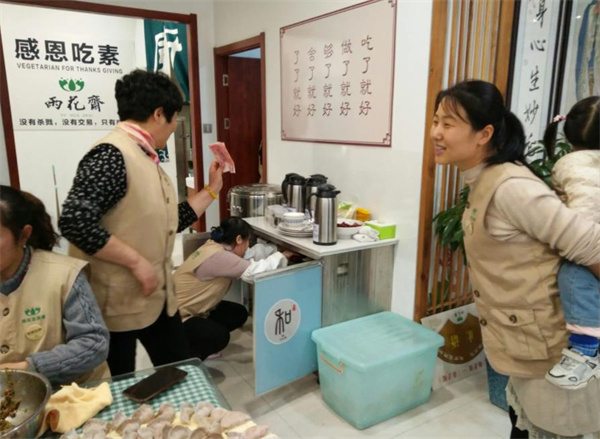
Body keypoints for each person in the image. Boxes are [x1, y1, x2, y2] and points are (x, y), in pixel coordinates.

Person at [431, 80, 600, 438]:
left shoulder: (512, 187)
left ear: (484, 133)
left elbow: (591, 245)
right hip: (524, 345)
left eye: (448, 124)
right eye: (435, 122)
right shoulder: (484, 179)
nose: (436, 133)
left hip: (550, 350)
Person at [59, 69, 223, 376]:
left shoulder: (144, 156)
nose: (175, 128)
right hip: (116, 305)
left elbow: (173, 219)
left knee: (177, 370)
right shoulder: (111, 154)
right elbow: (74, 221)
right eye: (175, 119)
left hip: (158, 299)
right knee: (118, 384)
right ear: (159, 114)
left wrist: (213, 189)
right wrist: (136, 262)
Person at [0, 186, 109, 385]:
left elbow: (94, 343)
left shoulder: (64, 274)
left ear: (23, 235)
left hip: (73, 397)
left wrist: (28, 368)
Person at [543, 96, 600, 390]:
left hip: (590, 241)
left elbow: (581, 225)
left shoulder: (570, 165)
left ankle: (585, 349)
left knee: (573, 275)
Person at [173, 217, 290, 360]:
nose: (248, 246)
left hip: (186, 308)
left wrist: (275, 249)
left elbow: (249, 255)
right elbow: (255, 271)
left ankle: (198, 338)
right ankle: (190, 353)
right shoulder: (219, 257)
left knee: (238, 313)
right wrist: (283, 255)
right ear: (239, 239)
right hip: (176, 318)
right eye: (248, 241)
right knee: (220, 336)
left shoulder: (213, 246)